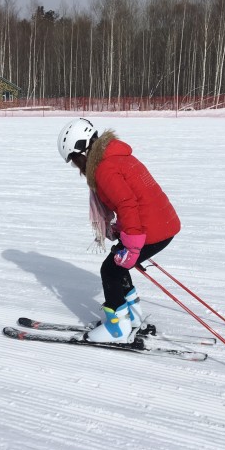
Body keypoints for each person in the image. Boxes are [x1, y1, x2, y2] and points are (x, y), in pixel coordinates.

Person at [57, 118, 181, 343]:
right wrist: (123, 232)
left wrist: (132, 245)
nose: (77, 167)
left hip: (151, 231)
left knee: (110, 270)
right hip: (162, 224)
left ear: (82, 150)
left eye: (75, 160)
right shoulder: (116, 157)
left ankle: (118, 329)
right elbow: (137, 199)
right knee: (119, 261)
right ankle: (132, 316)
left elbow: (127, 204)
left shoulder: (104, 168)